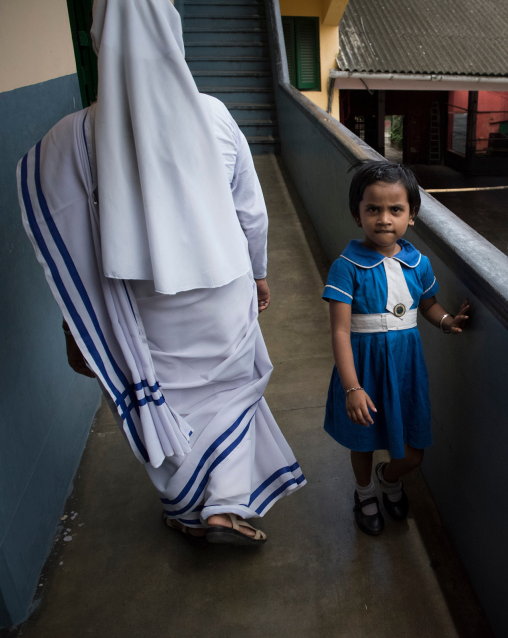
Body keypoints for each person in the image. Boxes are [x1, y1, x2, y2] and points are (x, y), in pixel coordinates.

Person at [16, 0, 303, 547]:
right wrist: (259, 271)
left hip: (139, 305)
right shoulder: (214, 114)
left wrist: (72, 322)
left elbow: (64, 242)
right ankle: (223, 499)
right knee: (233, 391)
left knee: (168, 402)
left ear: (98, 41)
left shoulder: (68, 139)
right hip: (222, 289)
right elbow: (252, 212)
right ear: (174, 36)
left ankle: (187, 506)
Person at [322, 161, 470, 536]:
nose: (384, 219)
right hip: (364, 369)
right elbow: (340, 331)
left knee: (414, 452)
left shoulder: (418, 263)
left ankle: (388, 478)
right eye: (373, 209)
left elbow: (428, 305)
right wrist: (351, 387)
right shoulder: (346, 267)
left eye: (395, 209)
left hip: (406, 369)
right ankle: (365, 491)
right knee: (365, 440)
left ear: (412, 215)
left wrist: (446, 321)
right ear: (357, 215)